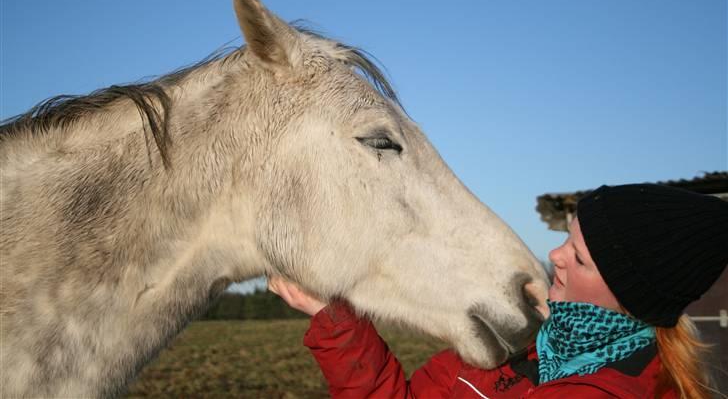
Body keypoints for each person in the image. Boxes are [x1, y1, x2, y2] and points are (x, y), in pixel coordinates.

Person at [269, 184, 728, 398]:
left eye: (580, 257)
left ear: (631, 299)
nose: (557, 256)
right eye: (568, 239)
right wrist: (333, 315)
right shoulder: (523, 342)